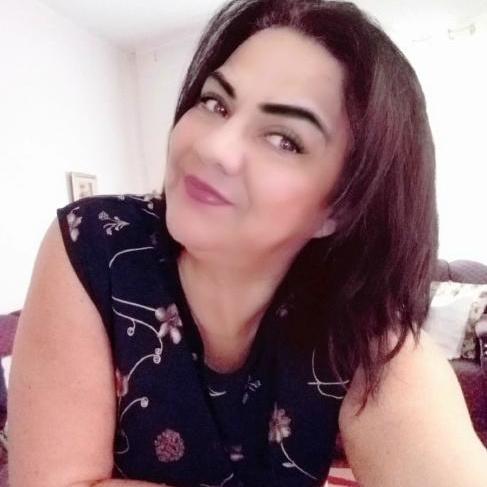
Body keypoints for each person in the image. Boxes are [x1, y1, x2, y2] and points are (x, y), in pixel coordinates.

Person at [7, 0, 487, 486]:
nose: (213, 146)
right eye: (215, 104)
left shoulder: (362, 336)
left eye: (284, 140)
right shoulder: (95, 243)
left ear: (339, 208)